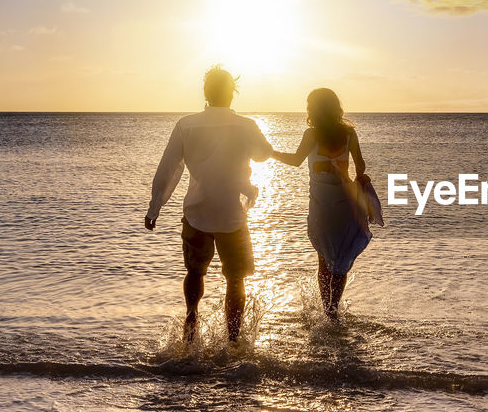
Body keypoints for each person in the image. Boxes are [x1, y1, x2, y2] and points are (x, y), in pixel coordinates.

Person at [145, 66, 273, 343]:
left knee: (194, 271)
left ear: (206, 93)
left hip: (196, 213)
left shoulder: (186, 125)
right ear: (232, 93)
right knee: (236, 279)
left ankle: (192, 317)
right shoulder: (245, 126)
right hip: (232, 215)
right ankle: (234, 339)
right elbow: (263, 154)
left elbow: (169, 169)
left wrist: (154, 208)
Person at [271, 88, 380, 318]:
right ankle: (333, 310)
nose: (307, 109)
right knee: (341, 258)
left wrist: (271, 153)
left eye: (310, 105)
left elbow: (295, 161)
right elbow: (360, 166)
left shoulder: (311, 134)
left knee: (323, 257)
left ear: (316, 109)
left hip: (321, 204)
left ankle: (326, 309)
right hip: (345, 202)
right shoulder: (349, 134)